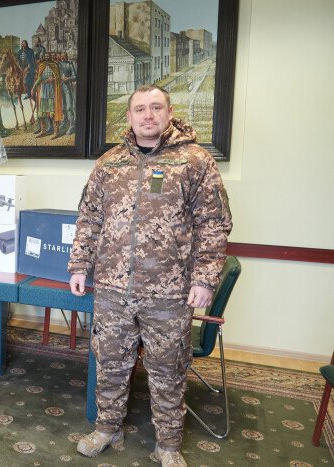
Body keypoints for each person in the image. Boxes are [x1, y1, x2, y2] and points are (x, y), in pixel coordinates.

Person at [68, 84, 232, 467]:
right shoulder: (109, 164)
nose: (148, 115)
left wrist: (205, 278)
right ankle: (107, 428)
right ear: (128, 117)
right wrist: (78, 265)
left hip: (170, 293)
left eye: (156, 107)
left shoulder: (195, 161)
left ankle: (168, 446)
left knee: (168, 371)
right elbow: (89, 219)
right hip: (112, 289)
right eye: (140, 109)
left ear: (169, 112)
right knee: (110, 364)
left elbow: (213, 223)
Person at [31, 52, 63, 138]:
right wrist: (33, 88)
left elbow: (59, 78)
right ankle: (43, 130)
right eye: (45, 56)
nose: (47, 57)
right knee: (41, 113)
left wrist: (53, 79)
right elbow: (40, 78)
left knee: (52, 113)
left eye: (48, 56)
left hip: (51, 91)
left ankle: (56, 132)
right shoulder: (41, 65)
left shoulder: (55, 65)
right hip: (43, 91)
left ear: (50, 57)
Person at [58, 52, 77, 135]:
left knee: (69, 107)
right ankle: (65, 121)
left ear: (66, 57)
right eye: (61, 56)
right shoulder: (58, 65)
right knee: (62, 107)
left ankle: (72, 125)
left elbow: (75, 76)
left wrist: (68, 78)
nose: (63, 58)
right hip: (59, 88)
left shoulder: (70, 65)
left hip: (67, 88)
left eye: (64, 56)